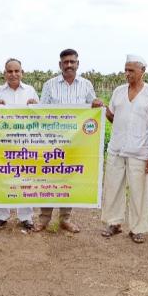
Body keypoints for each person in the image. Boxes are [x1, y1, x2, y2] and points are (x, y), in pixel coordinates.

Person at [36, 48, 103, 233]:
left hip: (76, 143)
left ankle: (65, 218)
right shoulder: (50, 85)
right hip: (53, 142)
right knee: (49, 177)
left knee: (68, 178)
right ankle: (44, 218)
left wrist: (96, 104)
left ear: (78, 64)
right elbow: (42, 111)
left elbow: (93, 108)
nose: (69, 65)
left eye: (72, 62)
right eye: (65, 62)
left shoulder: (86, 85)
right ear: (60, 65)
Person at [101, 55, 148, 243]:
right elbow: (112, 115)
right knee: (113, 186)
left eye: (131, 70)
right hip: (117, 148)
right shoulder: (118, 91)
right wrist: (107, 113)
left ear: (142, 71)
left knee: (140, 190)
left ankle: (139, 228)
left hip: (140, 150)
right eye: (125, 70)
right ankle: (114, 223)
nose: (127, 74)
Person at [0, 58, 39, 230]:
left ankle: (26, 216)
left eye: (16, 71)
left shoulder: (31, 91)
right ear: (4, 73)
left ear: (22, 72)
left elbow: (40, 117)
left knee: (26, 177)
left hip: (26, 143)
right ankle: (0, 216)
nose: (13, 74)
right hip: (3, 143)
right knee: (2, 177)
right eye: (10, 71)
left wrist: (36, 106)